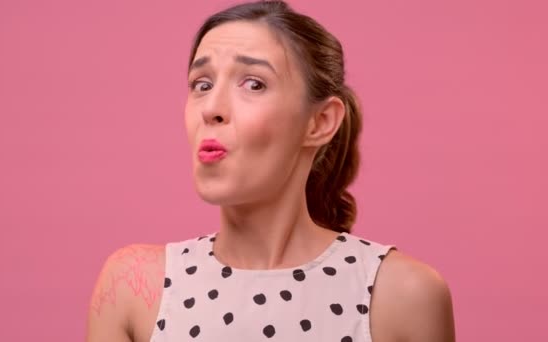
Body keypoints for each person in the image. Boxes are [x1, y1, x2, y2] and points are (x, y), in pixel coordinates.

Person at [86, 1, 456, 341]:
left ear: (320, 122)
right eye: (202, 84)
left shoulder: (405, 296)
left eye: (254, 83)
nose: (211, 108)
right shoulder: (132, 287)